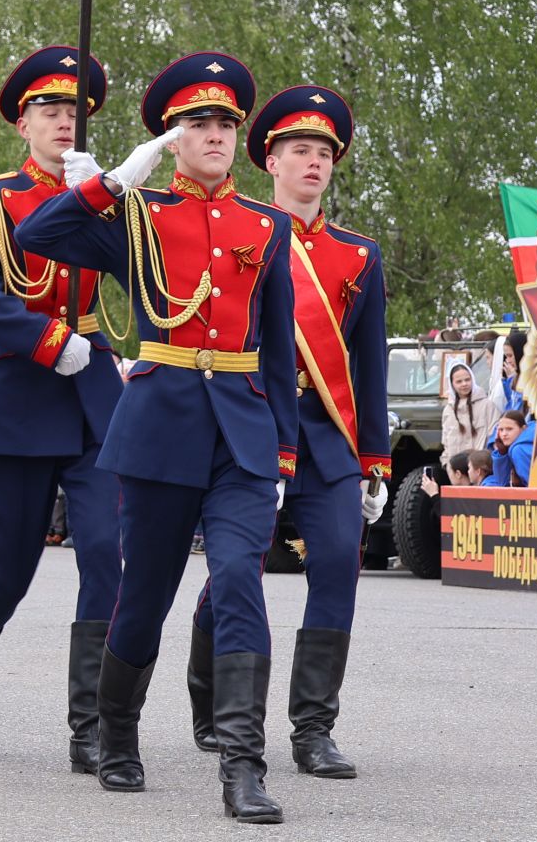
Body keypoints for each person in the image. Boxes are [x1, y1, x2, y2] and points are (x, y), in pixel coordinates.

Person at [16, 51, 297, 822]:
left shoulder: (266, 227)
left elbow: (279, 345)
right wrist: (107, 183)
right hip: (159, 425)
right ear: (172, 141)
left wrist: (283, 449)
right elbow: (39, 234)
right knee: (145, 594)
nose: (213, 135)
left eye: (224, 125)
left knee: (240, 577)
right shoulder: (136, 216)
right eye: (197, 124)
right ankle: (118, 731)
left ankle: (243, 765)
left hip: (240, 431)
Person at [0, 44, 129, 772]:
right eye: (50, 110)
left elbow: (143, 279)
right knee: (8, 572)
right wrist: (51, 340)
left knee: (108, 558)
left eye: (74, 110)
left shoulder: (110, 195)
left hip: (95, 402)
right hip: (22, 394)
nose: (64, 121)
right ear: (23, 124)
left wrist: (105, 201)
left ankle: (93, 725)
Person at [184, 84, 387, 784]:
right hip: (250, 423)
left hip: (325, 431)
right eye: (299, 149)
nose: (314, 162)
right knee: (234, 572)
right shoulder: (244, 233)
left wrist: (376, 457)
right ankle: (210, 695)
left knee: (337, 563)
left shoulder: (360, 256)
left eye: (325, 153)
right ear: (269, 160)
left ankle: (313, 730)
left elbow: (370, 362)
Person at [441, 360, 493, 460]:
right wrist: (448, 466)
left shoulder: (487, 405)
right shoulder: (448, 410)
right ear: (452, 384)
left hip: (481, 467)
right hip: (457, 470)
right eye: (459, 381)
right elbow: (446, 444)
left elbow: (493, 438)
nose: (464, 384)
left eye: (467, 380)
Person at [483, 411, 535, 486]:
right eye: (501, 430)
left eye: (509, 429)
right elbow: (503, 484)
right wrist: (502, 454)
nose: (504, 434)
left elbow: (533, 485)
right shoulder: (514, 447)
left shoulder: (518, 450)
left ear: (523, 428)